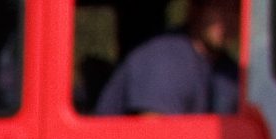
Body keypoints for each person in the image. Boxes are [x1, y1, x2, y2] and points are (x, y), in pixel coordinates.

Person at [95, 0, 239, 113]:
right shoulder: (164, 59)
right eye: (219, 8)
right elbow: (156, 137)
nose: (228, 19)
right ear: (194, 9)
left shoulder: (227, 70)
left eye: (236, 10)